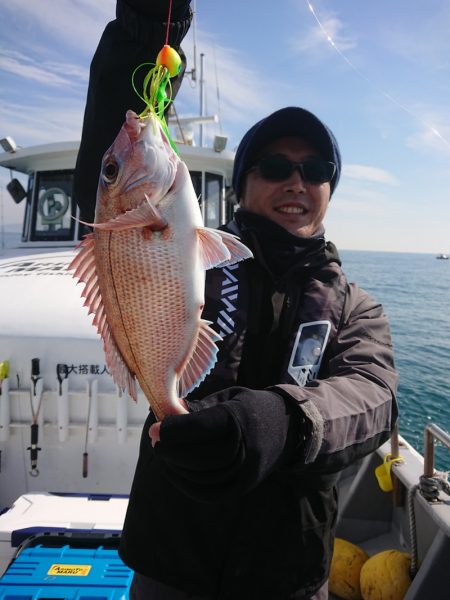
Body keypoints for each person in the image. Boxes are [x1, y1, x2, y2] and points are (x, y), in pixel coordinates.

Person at [75, 2, 398, 599]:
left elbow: (375, 400)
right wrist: (146, 36)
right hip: (171, 560)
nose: (296, 182)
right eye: (275, 166)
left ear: (329, 189)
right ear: (244, 184)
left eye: (314, 168)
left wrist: (285, 422)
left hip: (288, 574)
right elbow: (114, 162)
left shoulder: (357, 309)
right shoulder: (195, 252)